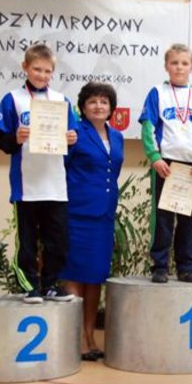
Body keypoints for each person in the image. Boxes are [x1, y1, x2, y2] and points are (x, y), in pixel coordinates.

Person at [0, 43, 77, 304]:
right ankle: (30, 286)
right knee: (27, 242)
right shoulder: (13, 99)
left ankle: (50, 284)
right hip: (26, 186)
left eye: (47, 71)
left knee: (58, 241)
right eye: (37, 69)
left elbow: (73, 140)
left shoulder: (61, 101)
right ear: (25, 67)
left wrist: (72, 139)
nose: (42, 75)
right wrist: (15, 138)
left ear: (53, 72)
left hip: (56, 186)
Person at [138, 43, 192, 284]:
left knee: (188, 219)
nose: (179, 67)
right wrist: (154, 157)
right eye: (174, 63)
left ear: (191, 67)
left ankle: (186, 267)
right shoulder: (157, 93)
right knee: (163, 217)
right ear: (166, 66)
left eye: (184, 63)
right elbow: (148, 126)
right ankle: (160, 266)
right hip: (166, 164)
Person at [60, 82, 123, 361]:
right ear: (83, 107)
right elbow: (61, 168)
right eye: (93, 101)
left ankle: (90, 335)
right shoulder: (75, 133)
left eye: (104, 102)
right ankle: (76, 337)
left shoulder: (117, 136)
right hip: (77, 213)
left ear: (111, 107)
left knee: (95, 276)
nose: (99, 106)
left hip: (104, 216)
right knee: (74, 273)